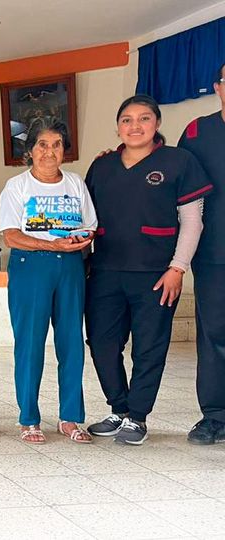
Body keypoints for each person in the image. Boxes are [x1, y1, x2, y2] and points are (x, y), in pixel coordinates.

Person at [85, 95, 211, 445]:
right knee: (101, 342)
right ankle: (118, 407)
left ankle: (137, 416)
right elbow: (85, 218)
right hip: (106, 271)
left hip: (157, 274)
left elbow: (193, 221)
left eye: (144, 118)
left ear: (157, 124)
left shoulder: (179, 161)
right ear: (118, 127)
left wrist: (178, 268)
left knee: (149, 347)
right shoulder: (102, 166)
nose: (135, 126)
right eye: (127, 119)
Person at [0, 117, 96, 445]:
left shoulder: (76, 184)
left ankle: (70, 417)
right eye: (42, 145)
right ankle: (29, 419)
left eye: (56, 145)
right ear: (30, 150)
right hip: (31, 267)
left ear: (64, 151)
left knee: (71, 342)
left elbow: (90, 226)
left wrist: (78, 240)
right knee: (30, 343)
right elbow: (11, 235)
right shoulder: (17, 186)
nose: (49, 152)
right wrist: (52, 244)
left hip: (70, 267)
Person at [177, 62, 225, 445]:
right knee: (214, 334)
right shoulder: (197, 132)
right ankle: (215, 416)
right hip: (213, 254)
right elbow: (174, 181)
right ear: (218, 87)